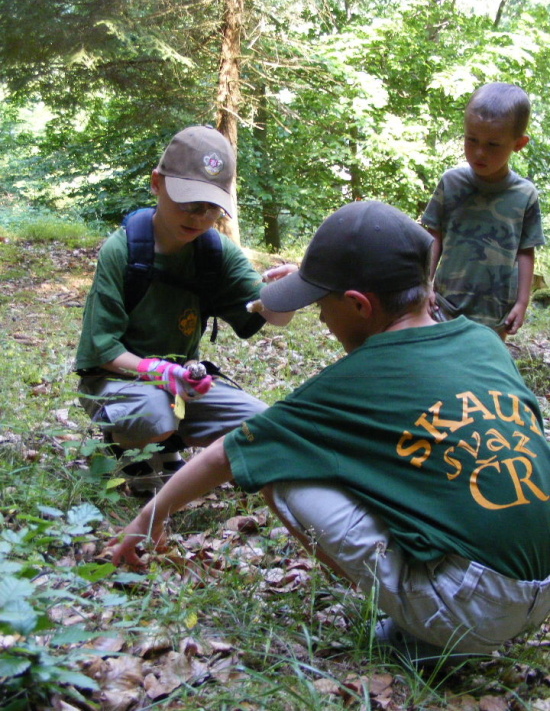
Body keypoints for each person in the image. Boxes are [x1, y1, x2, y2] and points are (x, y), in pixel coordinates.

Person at [108, 199, 550, 667]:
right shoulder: (482, 342)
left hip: (473, 605)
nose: (320, 317)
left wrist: (144, 524)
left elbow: (225, 456)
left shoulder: (358, 380)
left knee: (277, 465)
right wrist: (324, 275)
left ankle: (424, 639)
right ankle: (445, 621)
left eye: (322, 304)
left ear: (359, 304)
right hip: (542, 593)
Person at [75, 125, 295, 494]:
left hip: (183, 385)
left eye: (211, 207)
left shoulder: (215, 252)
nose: (198, 216)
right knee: (150, 413)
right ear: (157, 183)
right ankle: (135, 451)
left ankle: (164, 446)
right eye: (189, 202)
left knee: (262, 425)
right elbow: (103, 349)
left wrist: (291, 292)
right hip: (117, 380)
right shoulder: (124, 250)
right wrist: (159, 371)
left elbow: (273, 315)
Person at [423, 82, 545, 339]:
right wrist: (425, 284)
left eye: (493, 144)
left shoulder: (524, 195)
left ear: (519, 144)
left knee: (483, 369)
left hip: (496, 311)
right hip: (444, 305)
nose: (479, 152)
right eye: (472, 139)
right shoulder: (451, 183)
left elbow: (525, 251)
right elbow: (434, 238)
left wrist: (522, 303)